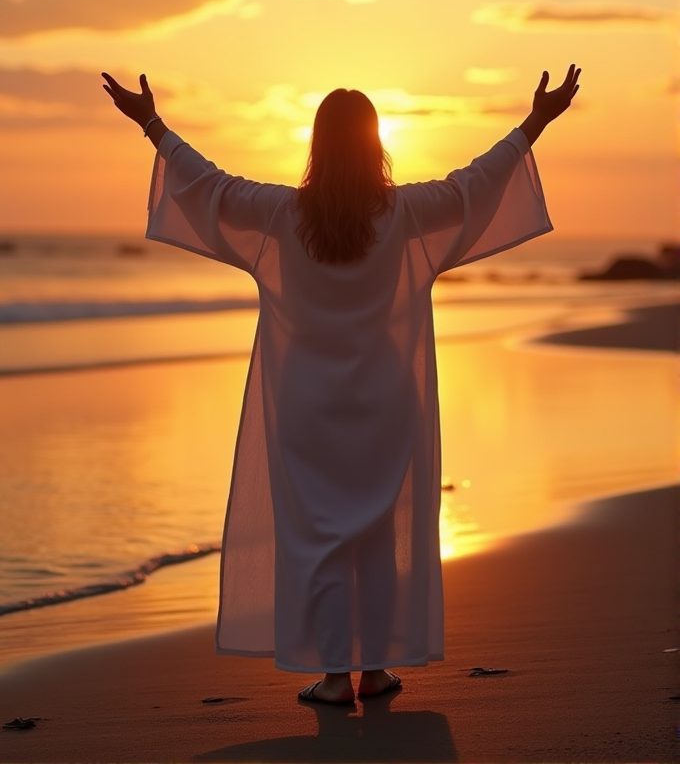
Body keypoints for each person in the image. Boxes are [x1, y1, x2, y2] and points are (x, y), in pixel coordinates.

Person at [102, 64, 580, 704]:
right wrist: (535, 123)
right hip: (383, 395)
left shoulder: (279, 213)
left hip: (306, 398)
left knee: (315, 535)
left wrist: (151, 124)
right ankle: (377, 669)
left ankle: (333, 677)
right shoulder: (403, 212)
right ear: (374, 143)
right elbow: (475, 185)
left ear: (317, 145)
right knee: (379, 532)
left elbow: (208, 186)